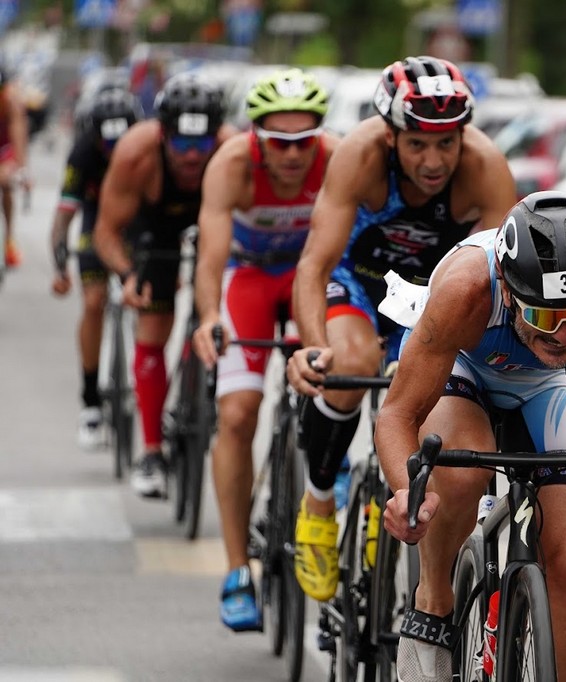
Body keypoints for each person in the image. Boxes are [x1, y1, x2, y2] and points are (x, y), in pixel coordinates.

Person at [374, 191, 566, 682]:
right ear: (510, 290)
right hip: (466, 368)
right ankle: (433, 601)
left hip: (546, 386)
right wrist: (404, 494)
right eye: (543, 316)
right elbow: (397, 415)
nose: (563, 335)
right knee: (455, 480)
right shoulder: (466, 290)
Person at [284, 55, 517, 603]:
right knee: (349, 366)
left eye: (446, 143)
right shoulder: (358, 156)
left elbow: (501, 288)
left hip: (436, 303)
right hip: (361, 282)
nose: (433, 161)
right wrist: (314, 348)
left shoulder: (485, 169)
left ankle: (393, 512)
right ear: (391, 137)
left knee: (434, 403)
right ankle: (319, 500)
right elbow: (314, 265)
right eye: (417, 144)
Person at [189, 68, 340, 632]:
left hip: (306, 280)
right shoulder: (230, 165)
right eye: (280, 142)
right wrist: (208, 318)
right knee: (237, 413)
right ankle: (236, 570)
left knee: (336, 377)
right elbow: (210, 255)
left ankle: (328, 467)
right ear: (256, 136)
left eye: (306, 140)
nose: (295, 154)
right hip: (249, 279)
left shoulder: (338, 158)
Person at [94, 72, 233, 499]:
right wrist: (127, 274)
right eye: (182, 145)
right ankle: (152, 451)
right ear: (163, 135)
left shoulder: (230, 151)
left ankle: (202, 386)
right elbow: (106, 232)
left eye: (201, 145)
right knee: (154, 327)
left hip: (216, 219)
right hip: (155, 228)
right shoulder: (136, 153)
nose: (193, 157)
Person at [50, 87, 142, 450]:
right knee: (93, 302)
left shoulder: (147, 151)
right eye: (109, 146)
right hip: (94, 221)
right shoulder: (83, 152)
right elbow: (64, 214)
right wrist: (60, 265)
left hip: (135, 223)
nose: (117, 153)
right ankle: (90, 399)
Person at [0, 66, 31, 267]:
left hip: (4, 146)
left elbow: (18, 135)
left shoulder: (11, 100)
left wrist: (23, 169)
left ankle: (9, 237)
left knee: (5, 180)